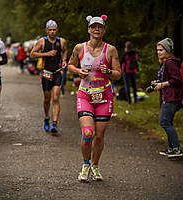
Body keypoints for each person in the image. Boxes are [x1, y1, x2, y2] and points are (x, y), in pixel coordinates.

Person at [68, 15, 121, 181]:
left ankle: (95, 166)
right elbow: (70, 65)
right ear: (89, 29)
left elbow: (118, 75)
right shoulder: (79, 48)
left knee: (99, 136)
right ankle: (85, 164)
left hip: (104, 96)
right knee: (88, 132)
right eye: (93, 26)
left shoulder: (111, 50)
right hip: (85, 94)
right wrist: (78, 71)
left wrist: (108, 72)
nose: (96, 29)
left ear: (104, 30)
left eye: (100, 27)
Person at [30, 19, 67, 134]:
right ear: (46, 30)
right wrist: (46, 54)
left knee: (56, 98)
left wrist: (64, 60)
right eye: (50, 30)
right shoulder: (42, 41)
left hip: (57, 72)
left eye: (54, 30)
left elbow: (65, 51)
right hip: (46, 73)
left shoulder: (61, 41)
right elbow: (32, 54)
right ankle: (46, 117)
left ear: (57, 30)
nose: (52, 32)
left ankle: (55, 123)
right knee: (47, 99)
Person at [153, 38, 183, 158]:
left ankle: (176, 149)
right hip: (169, 96)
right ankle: (171, 148)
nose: (158, 52)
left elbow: (177, 80)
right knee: (167, 121)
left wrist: (162, 85)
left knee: (164, 122)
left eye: (161, 50)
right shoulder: (167, 62)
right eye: (157, 50)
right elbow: (167, 79)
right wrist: (157, 83)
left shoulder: (170, 62)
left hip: (172, 97)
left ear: (168, 50)